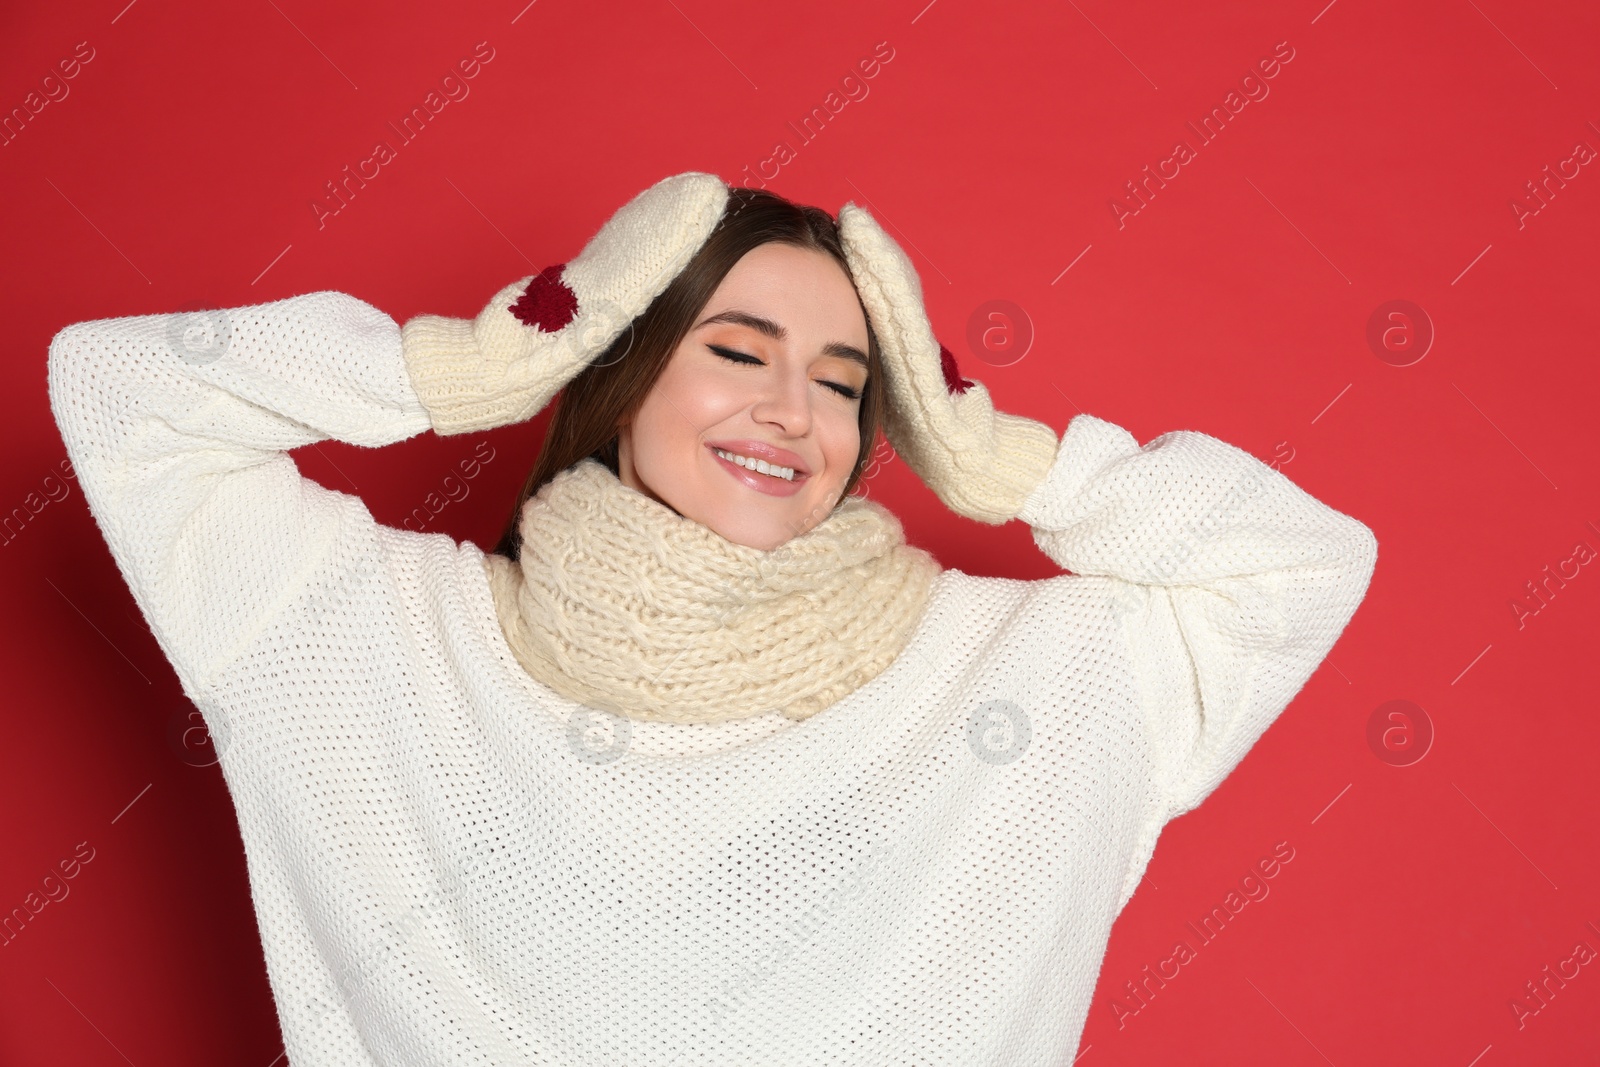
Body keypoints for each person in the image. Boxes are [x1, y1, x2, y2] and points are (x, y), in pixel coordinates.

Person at [47, 171, 1378, 1065]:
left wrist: (1001, 460)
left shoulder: (1027, 679)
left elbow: (1299, 563)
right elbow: (121, 396)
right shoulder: (374, 639)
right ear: (613, 370)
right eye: (737, 352)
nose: (794, 413)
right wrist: (477, 363)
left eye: (849, 382)